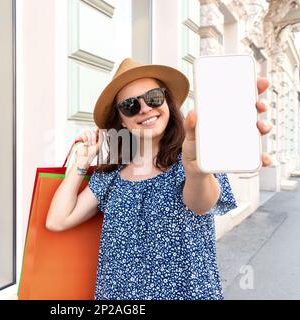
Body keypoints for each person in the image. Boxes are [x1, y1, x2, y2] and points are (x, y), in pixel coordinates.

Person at [46, 58, 272, 300]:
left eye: (153, 97)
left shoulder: (197, 157)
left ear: (167, 102)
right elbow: (57, 221)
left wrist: (195, 168)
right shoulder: (111, 175)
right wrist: (81, 161)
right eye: (130, 105)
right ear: (122, 119)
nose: (144, 109)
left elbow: (200, 203)